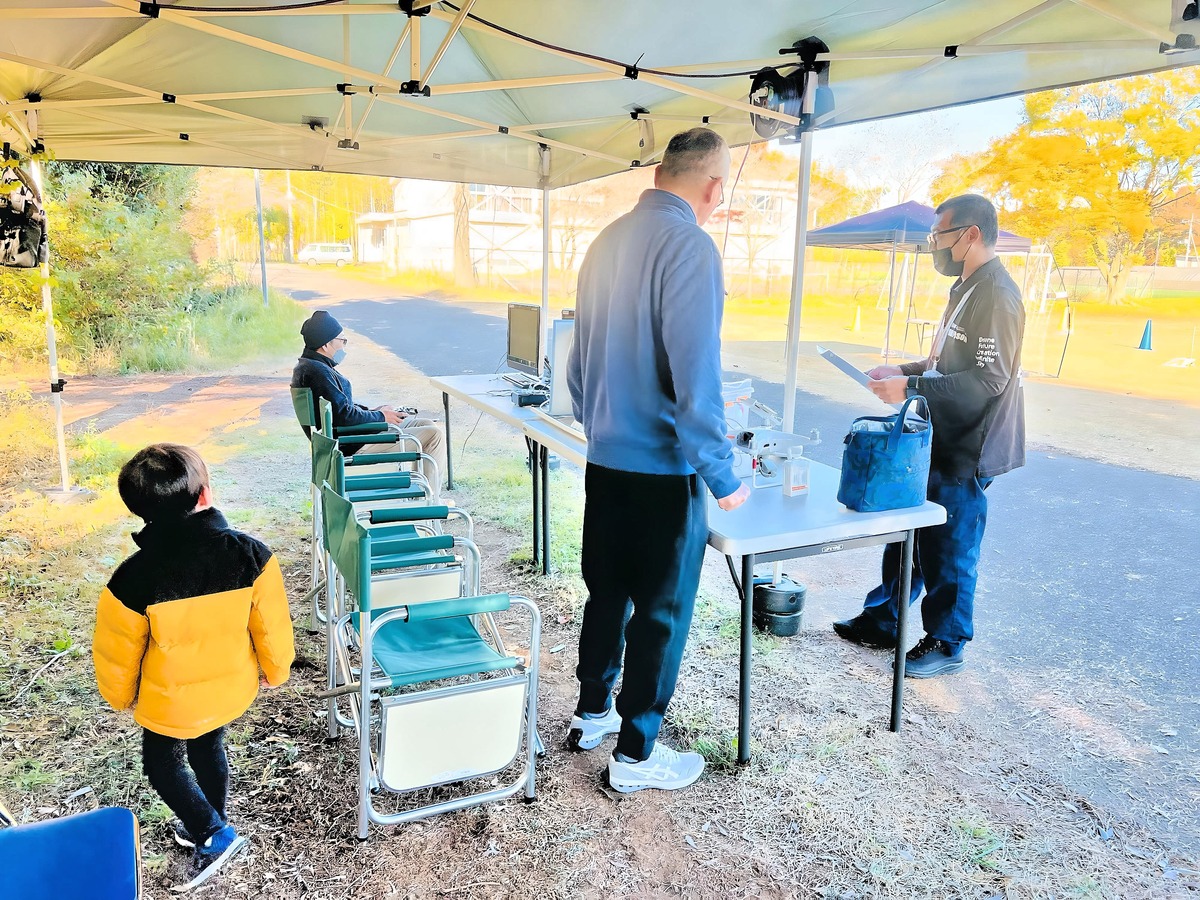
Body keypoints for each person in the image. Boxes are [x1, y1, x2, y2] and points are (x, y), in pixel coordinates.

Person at [565, 127, 751, 794]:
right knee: (659, 614)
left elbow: (578, 364)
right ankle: (636, 753)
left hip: (606, 458)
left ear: (658, 173)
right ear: (712, 187)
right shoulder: (691, 245)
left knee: (606, 594)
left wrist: (601, 427)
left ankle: (591, 713)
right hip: (662, 473)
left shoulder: (605, 241)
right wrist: (722, 473)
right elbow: (696, 372)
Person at [834, 193, 1025, 678]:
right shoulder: (964, 287)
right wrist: (901, 369)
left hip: (970, 444)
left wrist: (911, 386)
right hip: (934, 434)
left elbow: (989, 379)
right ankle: (885, 617)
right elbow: (944, 363)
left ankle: (947, 640)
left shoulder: (999, 296)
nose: (934, 245)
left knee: (950, 542)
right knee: (906, 531)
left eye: (940, 236)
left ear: (971, 235)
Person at [92, 444, 295, 887]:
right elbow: (272, 628)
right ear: (205, 495)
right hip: (228, 688)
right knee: (209, 745)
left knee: (162, 765)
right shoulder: (252, 556)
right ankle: (213, 814)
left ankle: (212, 831)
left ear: (138, 510)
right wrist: (276, 671)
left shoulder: (131, 579)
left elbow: (117, 653)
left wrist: (121, 697)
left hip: (169, 702)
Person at [290, 309, 445, 489]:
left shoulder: (309, 367)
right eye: (342, 341)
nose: (343, 346)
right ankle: (431, 497)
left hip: (353, 435)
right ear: (326, 344)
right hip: (353, 444)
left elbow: (339, 409)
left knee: (425, 423)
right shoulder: (318, 372)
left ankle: (422, 488)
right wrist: (380, 417)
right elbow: (343, 415)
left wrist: (374, 412)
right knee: (434, 436)